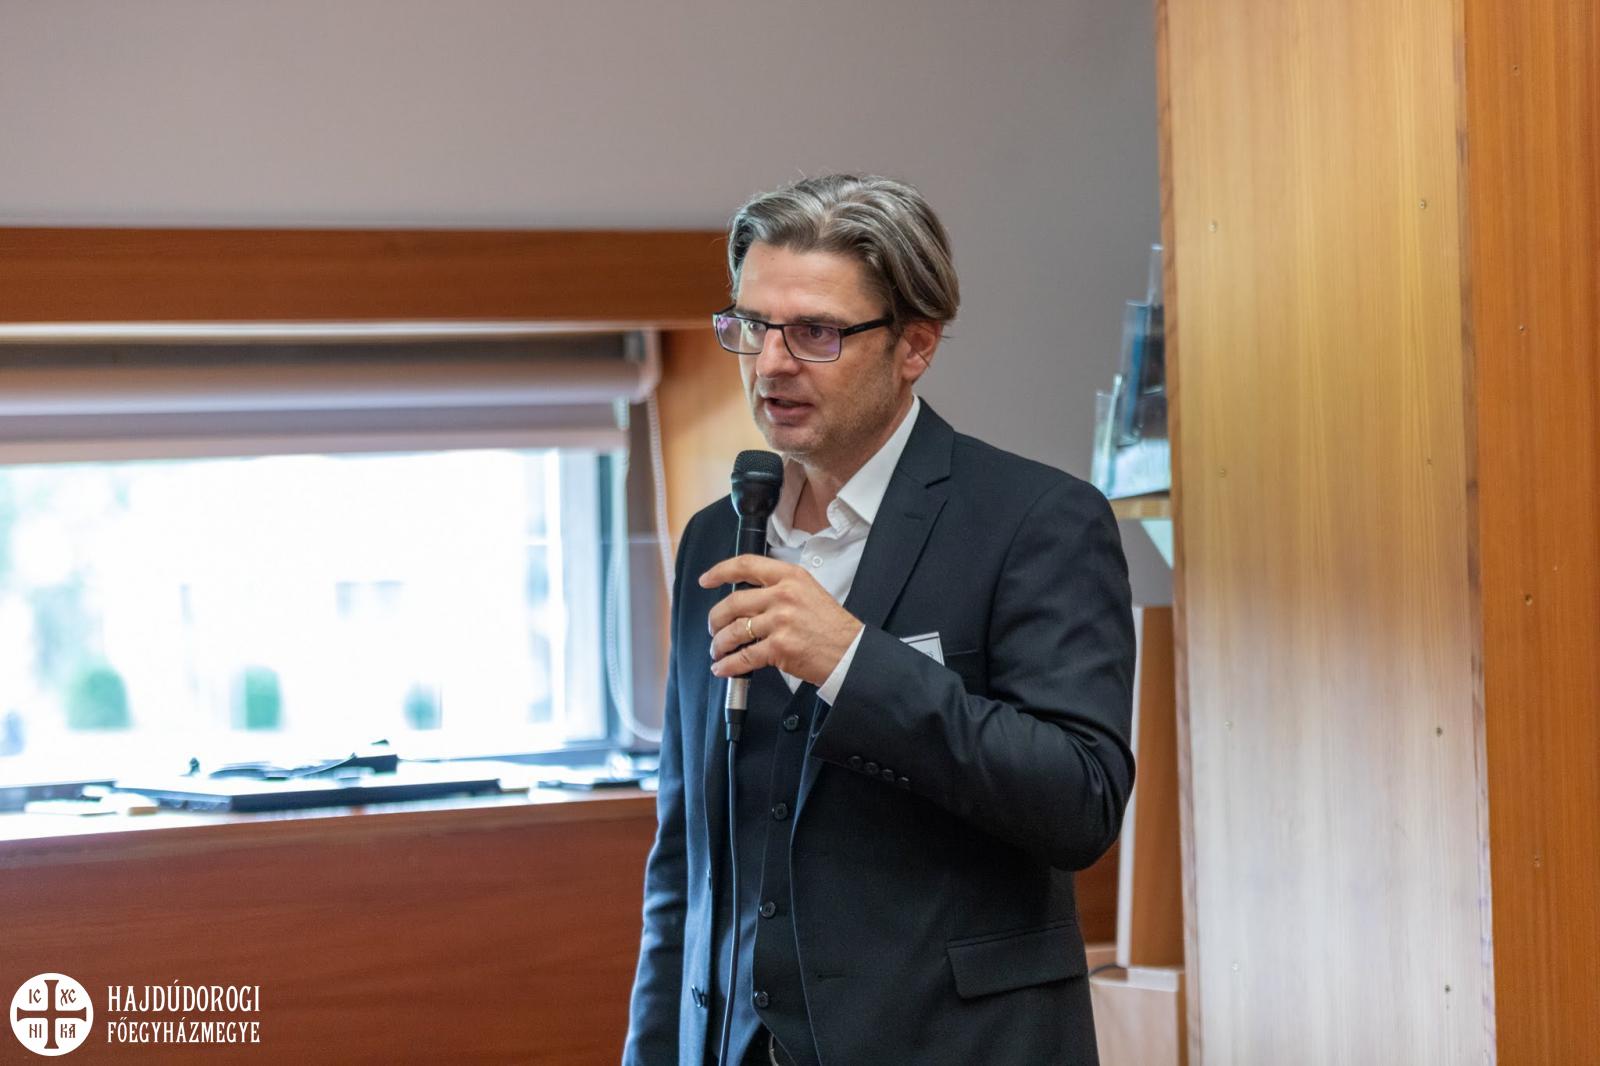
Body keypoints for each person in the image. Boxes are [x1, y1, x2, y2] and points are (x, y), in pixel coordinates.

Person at [624, 174, 1136, 1066]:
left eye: (815, 333)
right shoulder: (718, 533)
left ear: (915, 345)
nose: (770, 363)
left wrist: (853, 661)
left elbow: (1079, 801)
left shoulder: (1036, 520)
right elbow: (686, 855)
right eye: (752, 326)